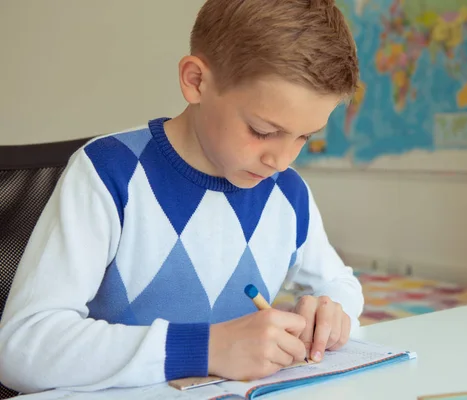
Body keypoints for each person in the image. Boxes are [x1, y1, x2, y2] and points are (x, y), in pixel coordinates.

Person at [0, 0, 364, 394]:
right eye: (262, 130)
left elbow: (339, 283)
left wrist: (330, 313)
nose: (281, 160)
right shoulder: (108, 173)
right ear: (196, 81)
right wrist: (205, 348)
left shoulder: (287, 193)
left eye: (304, 137)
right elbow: (21, 348)